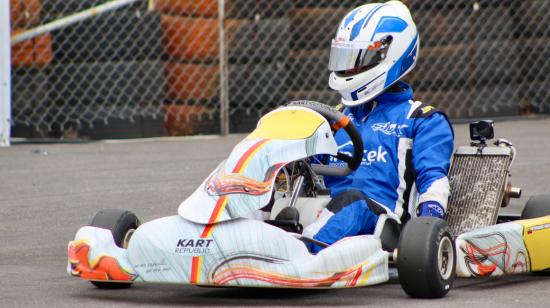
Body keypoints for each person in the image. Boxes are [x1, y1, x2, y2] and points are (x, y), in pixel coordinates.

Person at [302, 1, 454, 253]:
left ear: (390, 55)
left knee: (353, 201)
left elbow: (434, 181)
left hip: (384, 226)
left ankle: (302, 253)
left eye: (358, 60)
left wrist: (429, 230)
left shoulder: (421, 119)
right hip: (327, 212)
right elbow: (310, 167)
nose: (349, 69)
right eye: (345, 58)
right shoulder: (334, 118)